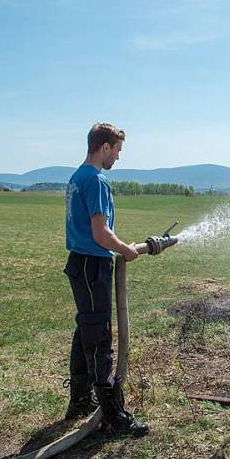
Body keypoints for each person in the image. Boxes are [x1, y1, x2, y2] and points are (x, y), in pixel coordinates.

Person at [63, 122, 148, 436]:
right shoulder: (96, 180)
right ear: (104, 147)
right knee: (99, 336)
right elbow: (101, 234)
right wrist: (126, 249)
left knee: (85, 329)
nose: (118, 158)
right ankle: (113, 415)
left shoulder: (77, 176)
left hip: (79, 264)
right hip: (92, 266)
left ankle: (80, 401)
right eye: (117, 151)